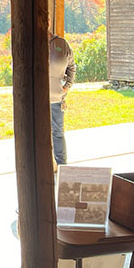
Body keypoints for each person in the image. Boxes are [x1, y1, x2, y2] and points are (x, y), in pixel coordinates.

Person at [49, 14, 76, 168]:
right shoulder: (29, 42)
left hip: (56, 98)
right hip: (33, 99)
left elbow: (72, 66)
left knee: (57, 134)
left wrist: (67, 85)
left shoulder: (61, 44)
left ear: (50, 21)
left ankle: (62, 167)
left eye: (47, 18)